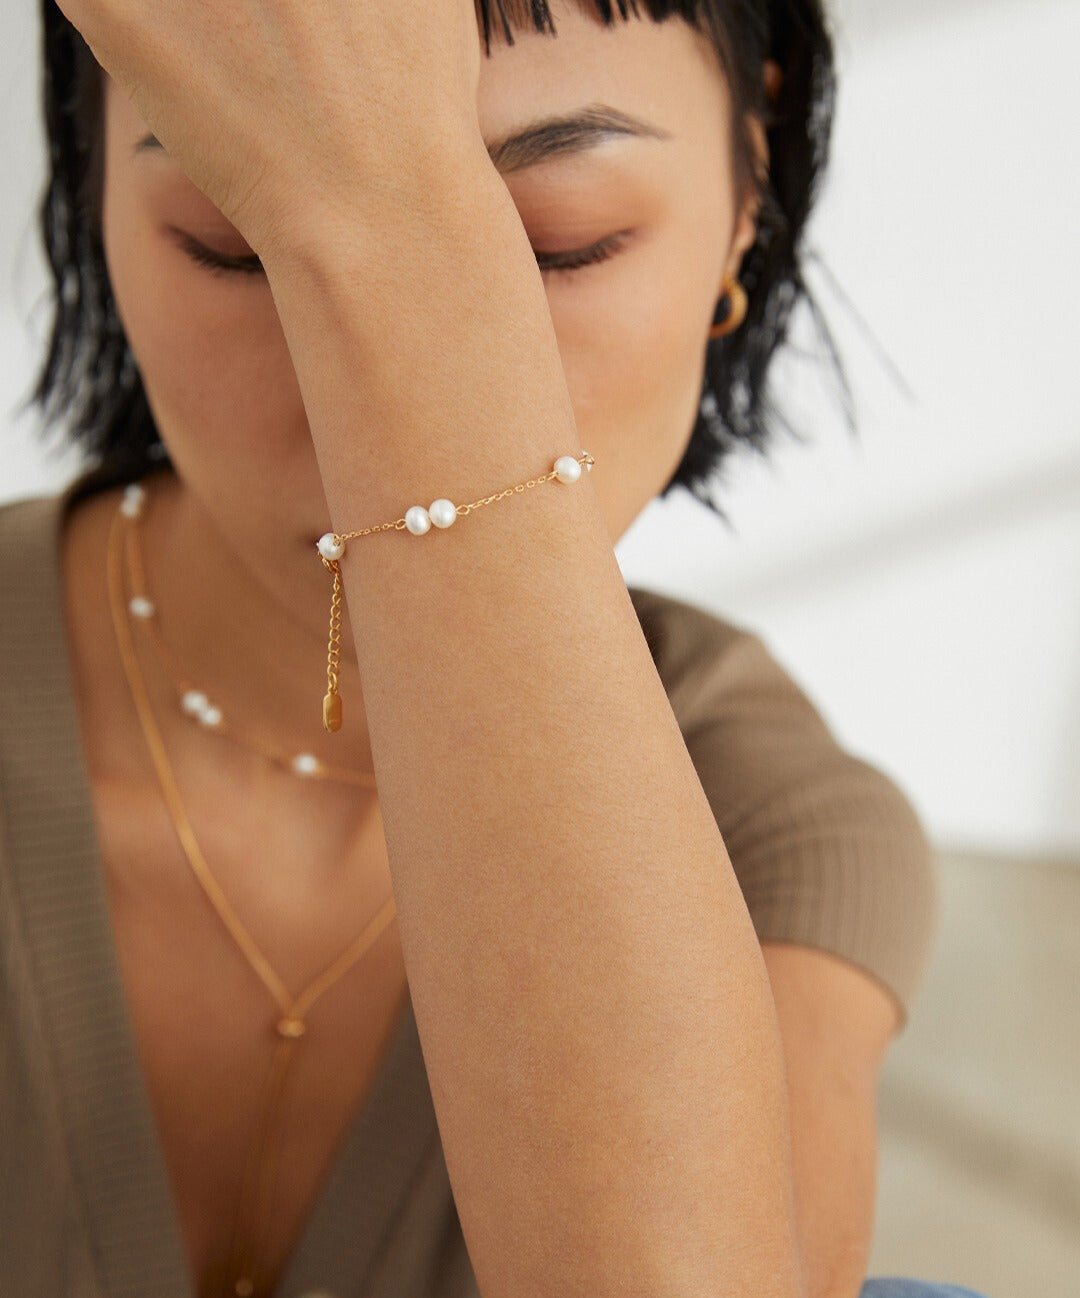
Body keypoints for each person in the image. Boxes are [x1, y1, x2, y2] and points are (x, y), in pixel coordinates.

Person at [0, 1, 990, 1296]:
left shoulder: (770, 822)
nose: (362, 399)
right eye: (237, 242)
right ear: (90, 194)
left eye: (560, 242)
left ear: (747, 194)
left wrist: (392, 226)